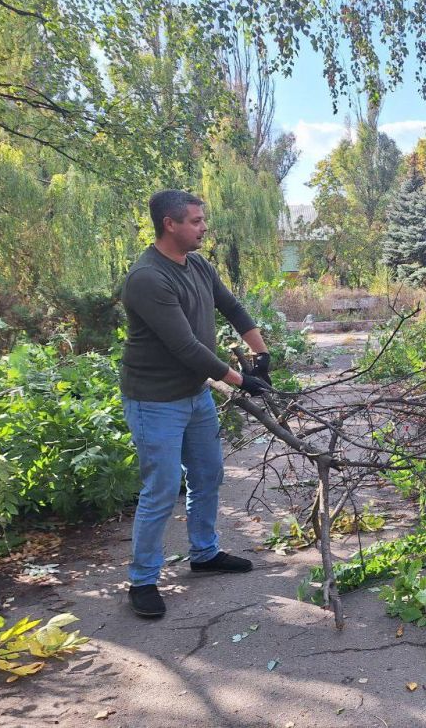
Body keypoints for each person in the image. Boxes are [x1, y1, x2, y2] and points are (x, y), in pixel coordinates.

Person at [120, 189, 273, 618]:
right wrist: (242, 381)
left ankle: (204, 553)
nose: (203, 227)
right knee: (162, 488)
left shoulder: (199, 265)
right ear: (170, 224)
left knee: (208, 474)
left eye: (202, 219)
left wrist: (262, 356)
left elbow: (232, 307)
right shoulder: (148, 278)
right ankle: (143, 579)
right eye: (196, 221)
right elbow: (186, 347)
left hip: (194, 395)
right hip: (155, 401)